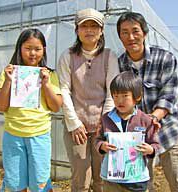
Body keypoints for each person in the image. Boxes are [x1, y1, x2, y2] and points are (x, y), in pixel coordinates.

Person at [116, 12, 178, 192]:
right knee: (141, 185)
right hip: (138, 137)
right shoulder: (120, 64)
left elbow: (168, 97)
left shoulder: (164, 58)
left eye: (135, 31)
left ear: (144, 33)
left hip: (167, 131)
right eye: (124, 32)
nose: (131, 37)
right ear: (120, 36)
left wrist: (151, 119)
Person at [57, 8, 119, 192]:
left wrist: (105, 123)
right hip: (77, 128)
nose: (89, 30)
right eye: (84, 26)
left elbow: (112, 92)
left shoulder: (109, 56)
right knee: (80, 178)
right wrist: (74, 123)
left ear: (101, 31)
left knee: (102, 178)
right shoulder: (68, 56)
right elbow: (64, 90)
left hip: (103, 126)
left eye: (94, 26)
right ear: (77, 30)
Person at [0, 28, 62, 192]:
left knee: (40, 182)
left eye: (37, 49)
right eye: (27, 48)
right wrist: (9, 81)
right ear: (20, 48)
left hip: (39, 136)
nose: (32, 53)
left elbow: (56, 106)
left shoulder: (50, 75)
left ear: (44, 50)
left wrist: (46, 84)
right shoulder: (9, 74)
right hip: (13, 135)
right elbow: (1, 106)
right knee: (14, 182)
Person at [94, 71, 160, 192]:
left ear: (137, 97)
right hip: (112, 179)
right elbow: (98, 140)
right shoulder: (106, 119)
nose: (120, 101)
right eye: (116, 96)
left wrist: (150, 150)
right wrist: (102, 146)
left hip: (137, 179)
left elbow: (155, 144)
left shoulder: (145, 120)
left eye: (125, 96)